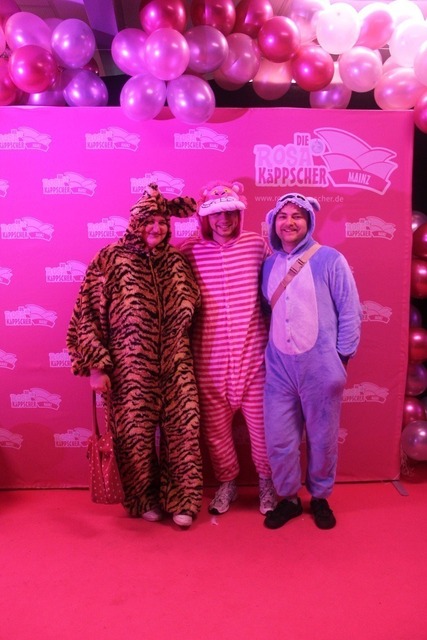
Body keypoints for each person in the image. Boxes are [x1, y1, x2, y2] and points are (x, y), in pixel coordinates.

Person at [66, 183, 203, 528]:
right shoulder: (110, 259)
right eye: (148, 221)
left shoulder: (177, 262)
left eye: (161, 222)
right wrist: (96, 367)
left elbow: (196, 309)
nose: (156, 228)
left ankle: (183, 500)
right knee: (134, 438)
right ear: (135, 223)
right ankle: (143, 499)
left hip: (177, 363)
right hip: (129, 369)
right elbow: (87, 316)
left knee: (184, 432)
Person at [261, 192, 362, 530]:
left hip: (321, 368)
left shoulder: (330, 259)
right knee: (280, 440)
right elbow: (268, 312)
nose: (289, 222)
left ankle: (320, 497)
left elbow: (350, 310)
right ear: (274, 223)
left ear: (309, 222)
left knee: (322, 439)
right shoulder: (268, 265)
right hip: (279, 370)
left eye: (297, 216)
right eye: (283, 216)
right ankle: (288, 498)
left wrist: (341, 359)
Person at [181, 180, 276, 516]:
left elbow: (279, 281)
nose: (224, 219)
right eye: (217, 214)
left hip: (254, 360)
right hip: (209, 363)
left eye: (231, 212)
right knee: (216, 434)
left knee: (263, 431)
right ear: (205, 218)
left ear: (239, 214)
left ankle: (266, 483)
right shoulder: (189, 251)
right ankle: (227, 483)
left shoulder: (256, 245)